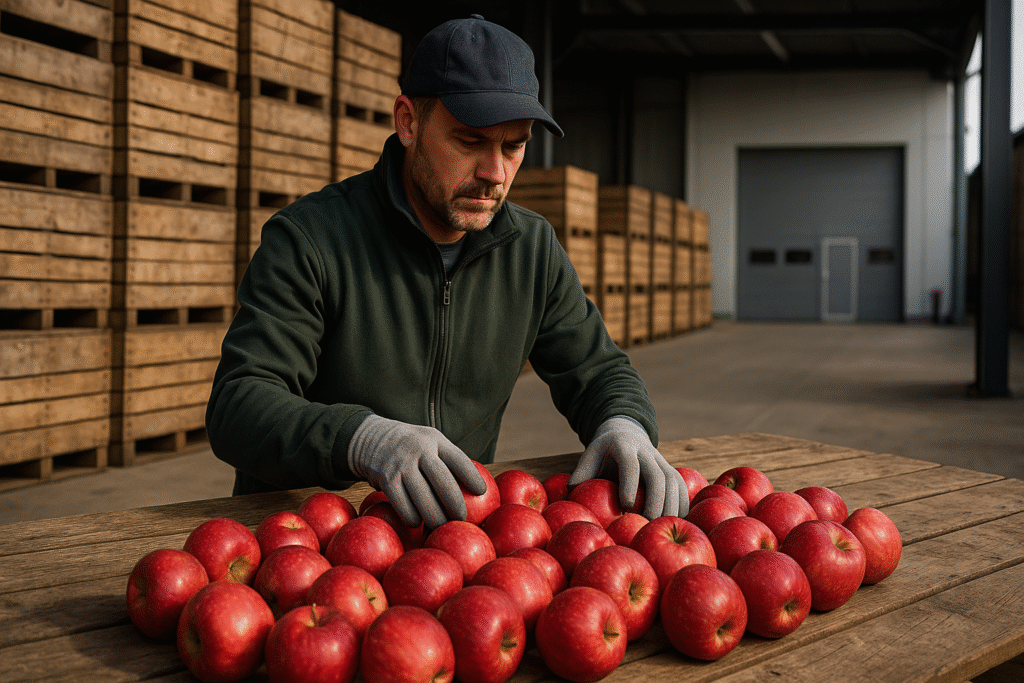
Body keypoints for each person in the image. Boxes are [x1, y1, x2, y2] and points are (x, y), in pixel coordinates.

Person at [206, 14, 687, 530]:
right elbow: (240, 404)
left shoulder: (530, 249)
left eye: (514, 145)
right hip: (307, 542)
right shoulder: (311, 239)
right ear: (408, 122)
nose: (495, 173)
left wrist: (624, 422)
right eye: (470, 141)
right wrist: (361, 440)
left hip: (450, 534)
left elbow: (599, 371)